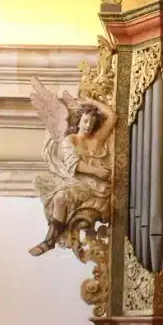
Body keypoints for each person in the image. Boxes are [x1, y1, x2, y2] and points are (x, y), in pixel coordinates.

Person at [28, 79, 117, 256]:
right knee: (60, 197)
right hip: (82, 182)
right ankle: (50, 240)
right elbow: (74, 164)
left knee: (62, 197)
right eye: (85, 121)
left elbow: (112, 117)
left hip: (99, 187)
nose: (88, 125)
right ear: (80, 120)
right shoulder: (70, 141)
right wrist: (96, 171)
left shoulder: (97, 139)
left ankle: (50, 240)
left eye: (91, 123)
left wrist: (92, 102)